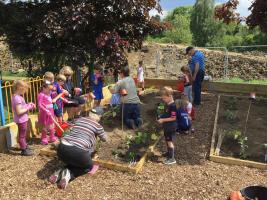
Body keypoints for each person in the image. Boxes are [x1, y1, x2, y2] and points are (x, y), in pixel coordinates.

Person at [48, 110, 107, 189]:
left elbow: (70, 126)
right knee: (88, 166)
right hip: (77, 152)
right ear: (99, 117)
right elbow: (105, 139)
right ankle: (69, 175)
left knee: (74, 161)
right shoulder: (97, 126)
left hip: (61, 149)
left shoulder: (80, 119)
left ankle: (58, 173)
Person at [11, 80, 36, 156]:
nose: (25, 91)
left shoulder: (17, 97)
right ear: (20, 88)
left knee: (23, 134)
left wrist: (28, 104)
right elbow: (19, 111)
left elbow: (22, 107)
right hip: (21, 120)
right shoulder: (17, 98)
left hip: (22, 119)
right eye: (25, 89)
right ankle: (24, 150)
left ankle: (24, 145)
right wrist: (29, 107)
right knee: (22, 135)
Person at [157, 87, 177, 165]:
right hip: (167, 127)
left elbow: (173, 118)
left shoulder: (173, 106)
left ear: (169, 96)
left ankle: (172, 158)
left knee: (169, 142)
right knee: (167, 140)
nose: (163, 100)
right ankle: (169, 153)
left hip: (171, 127)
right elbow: (166, 113)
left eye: (164, 98)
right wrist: (161, 116)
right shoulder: (168, 104)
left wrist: (162, 120)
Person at [38, 80, 58, 145]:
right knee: (45, 126)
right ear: (44, 88)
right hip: (45, 113)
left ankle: (52, 137)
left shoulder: (48, 93)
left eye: (50, 90)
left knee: (52, 125)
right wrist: (46, 110)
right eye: (49, 90)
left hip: (51, 112)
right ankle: (44, 138)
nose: (50, 91)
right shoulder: (41, 95)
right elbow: (40, 105)